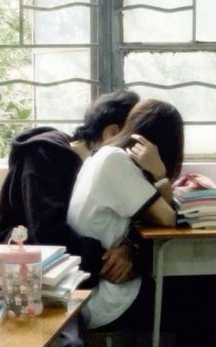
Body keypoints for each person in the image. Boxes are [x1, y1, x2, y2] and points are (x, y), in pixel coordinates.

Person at [0, 90, 140, 347]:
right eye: (131, 145)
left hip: (65, 271)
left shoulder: (96, 168)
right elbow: (46, 234)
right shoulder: (45, 155)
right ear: (113, 133)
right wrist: (105, 259)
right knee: (69, 340)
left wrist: (128, 250)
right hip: (26, 270)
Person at [67, 99, 184, 335]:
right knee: (200, 292)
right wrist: (160, 173)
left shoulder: (101, 156)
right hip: (104, 296)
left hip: (91, 286)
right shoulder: (116, 162)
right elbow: (168, 218)